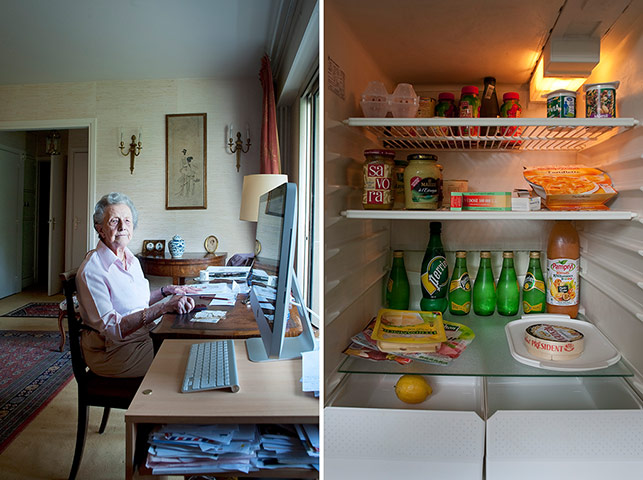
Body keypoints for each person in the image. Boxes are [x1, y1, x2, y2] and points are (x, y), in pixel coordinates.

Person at [75, 192, 197, 378]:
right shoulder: (93, 270)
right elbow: (113, 329)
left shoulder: (130, 258)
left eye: (127, 221)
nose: (123, 227)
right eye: (115, 221)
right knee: (183, 364)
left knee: (189, 344)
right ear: (100, 229)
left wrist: (167, 291)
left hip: (142, 336)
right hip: (114, 352)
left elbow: (137, 303)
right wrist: (163, 308)